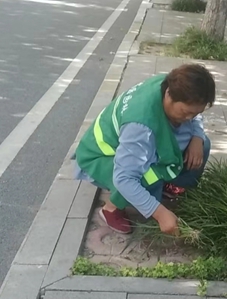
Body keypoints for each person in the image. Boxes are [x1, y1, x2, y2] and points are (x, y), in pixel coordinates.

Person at [73, 63, 215, 236]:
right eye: (186, 113)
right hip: (100, 157)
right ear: (169, 96)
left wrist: (197, 136)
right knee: (145, 177)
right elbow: (125, 178)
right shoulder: (140, 127)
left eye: (195, 114)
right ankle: (111, 208)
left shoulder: (173, 83)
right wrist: (160, 214)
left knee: (203, 144)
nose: (190, 118)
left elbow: (194, 115)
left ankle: (169, 184)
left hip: (129, 147)